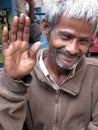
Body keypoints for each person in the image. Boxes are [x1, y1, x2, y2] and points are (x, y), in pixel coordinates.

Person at [0, 0, 98, 130]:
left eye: (83, 41)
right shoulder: (18, 74)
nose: (73, 49)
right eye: (66, 37)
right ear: (46, 28)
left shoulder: (95, 74)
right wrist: (12, 84)